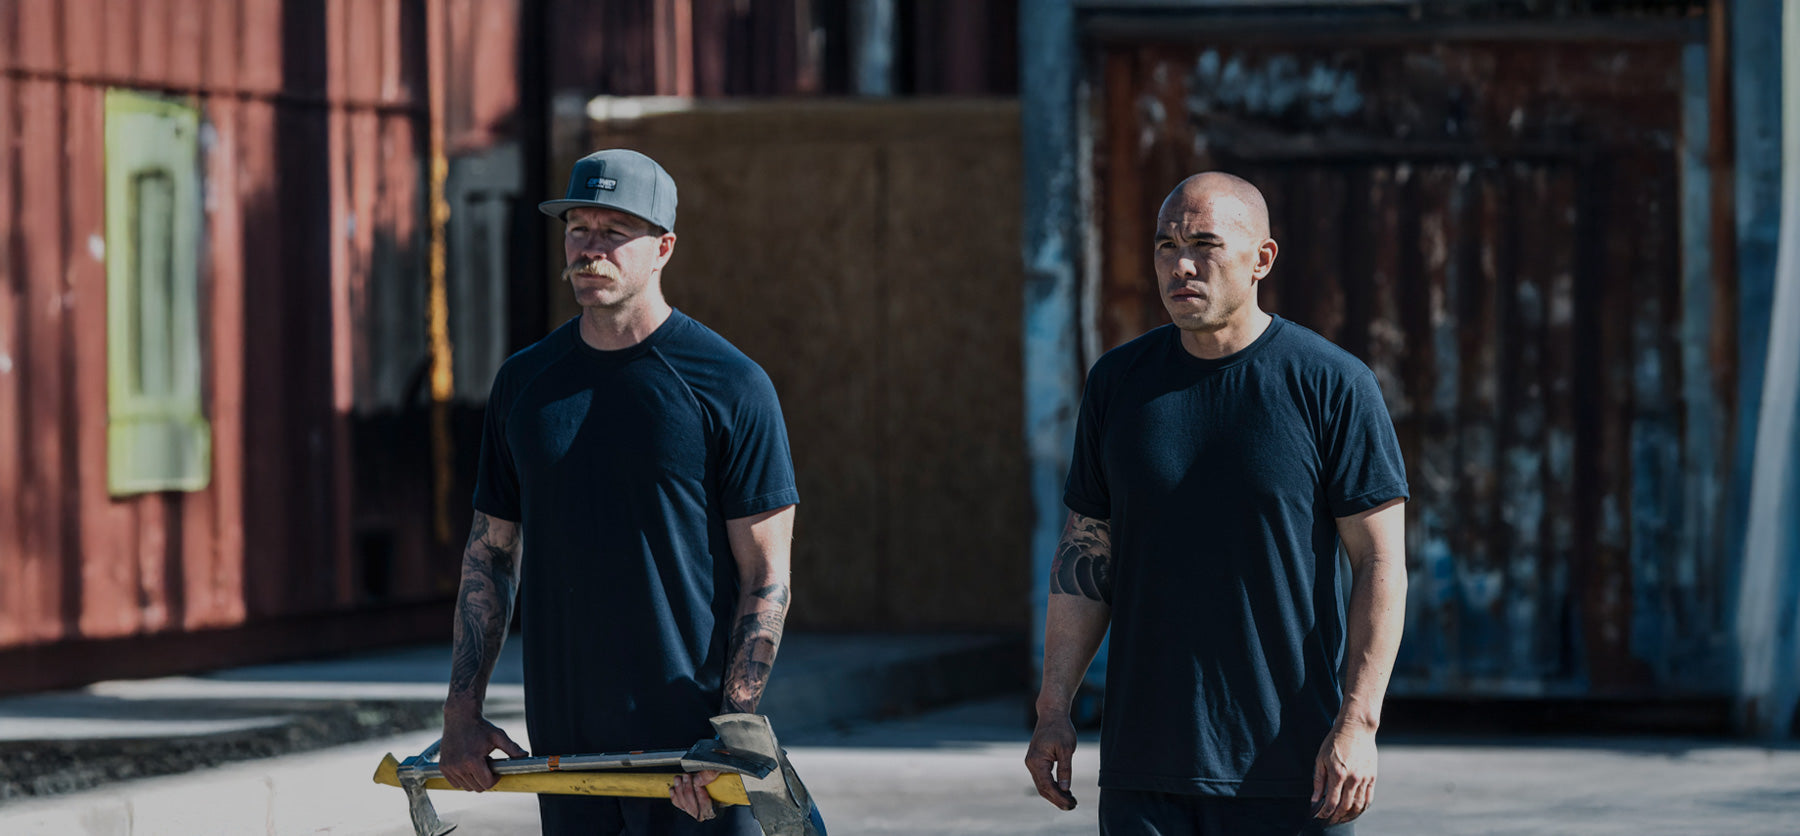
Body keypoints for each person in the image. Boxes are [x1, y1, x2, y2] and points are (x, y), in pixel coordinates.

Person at [1024, 172, 1409, 835]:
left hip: (1293, 772)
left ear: (1261, 259)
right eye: (1166, 245)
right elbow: (1087, 550)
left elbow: (1381, 565)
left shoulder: (1332, 385)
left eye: (1204, 243)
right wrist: (1053, 705)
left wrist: (1359, 723)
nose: (1182, 264)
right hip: (1143, 770)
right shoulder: (1120, 383)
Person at [438, 148, 801, 835]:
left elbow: (766, 578)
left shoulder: (730, 386)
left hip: (688, 754)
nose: (589, 249)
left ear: (663, 248)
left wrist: (732, 734)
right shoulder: (525, 385)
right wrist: (461, 712)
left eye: (614, 231)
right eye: (579, 228)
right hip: (566, 750)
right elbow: (490, 556)